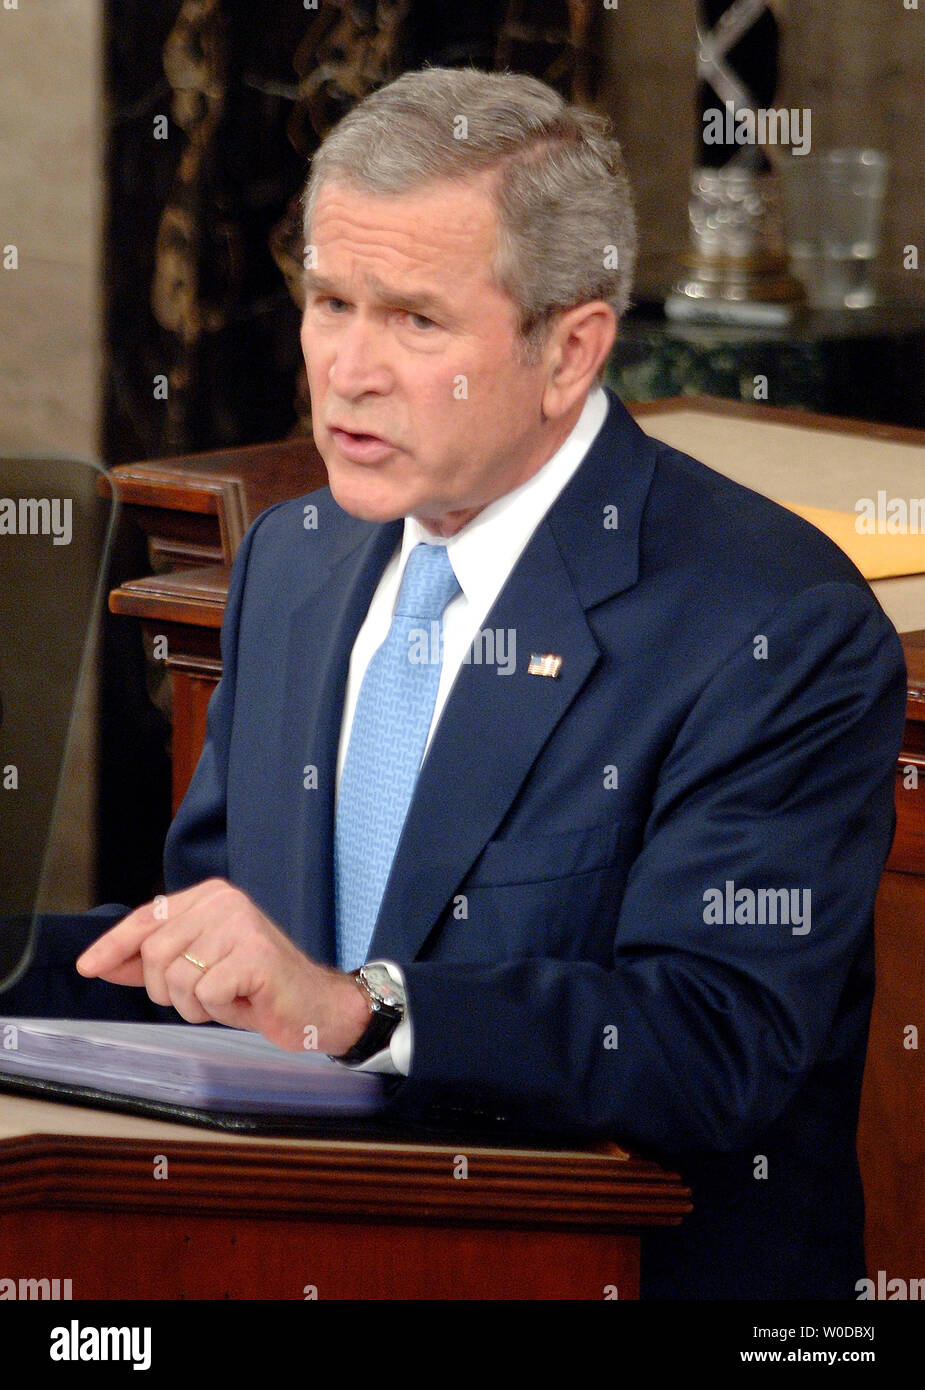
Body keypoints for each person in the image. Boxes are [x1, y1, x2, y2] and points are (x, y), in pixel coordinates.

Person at [11, 68, 908, 1299]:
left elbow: (710, 1043)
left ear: (569, 349)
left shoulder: (771, 626)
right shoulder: (296, 555)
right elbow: (222, 965)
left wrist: (360, 1008)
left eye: (416, 321)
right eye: (330, 302)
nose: (348, 368)